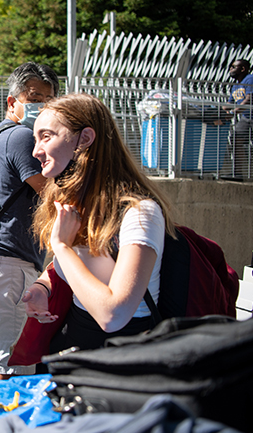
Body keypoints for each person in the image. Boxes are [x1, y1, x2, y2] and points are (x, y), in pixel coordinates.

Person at [23, 93, 175, 352]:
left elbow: (113, 315)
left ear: (84, 139)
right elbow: (83, 263)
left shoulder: (140, 213)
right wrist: (43, 285)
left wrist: (61, 246)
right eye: (36, 138)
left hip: (123, 360)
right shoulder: (77, 203)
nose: (36, 151)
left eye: (46, 136)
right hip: (76, 346)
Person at [0, 62, 58, 379]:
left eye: (48, 100)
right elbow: (51, 191)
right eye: (34, 97)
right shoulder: (21, 136)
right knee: (11, 366)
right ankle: (8, 428)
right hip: (9, 267)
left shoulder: (0, 136)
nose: (42, 106)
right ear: (13, 102)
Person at [223, 59, 253, 176]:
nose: (230, 70)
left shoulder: (251, 79)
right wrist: (215, 110)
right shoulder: (235, 86)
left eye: (233, 67)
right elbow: (229, 105)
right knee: (236, 139)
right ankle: (237, 172)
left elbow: (249, 100)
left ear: (242, 69)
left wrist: (234, 112)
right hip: (245, 117)